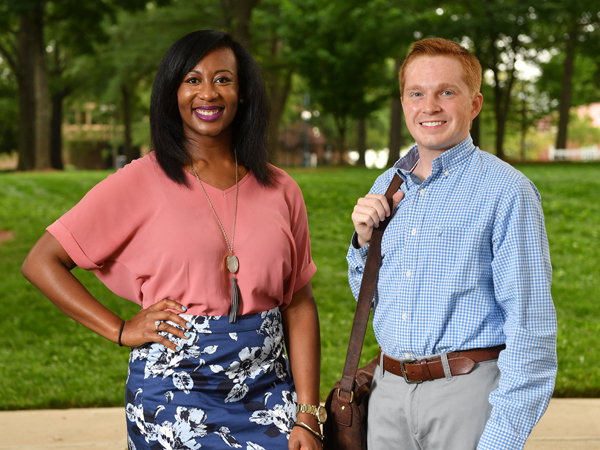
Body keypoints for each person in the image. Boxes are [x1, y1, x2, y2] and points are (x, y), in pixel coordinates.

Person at [22, 30, 324, 450]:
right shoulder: (141, 181)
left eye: (223, 79)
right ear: (172, 92)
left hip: (268, 391)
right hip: (174, 395)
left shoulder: (280, 188)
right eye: (192, 79)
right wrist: (120, 329)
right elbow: (42, 260)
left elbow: (299, 303)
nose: (208, 93)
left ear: (242, 92)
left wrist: (307, 414)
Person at [348, 38, 557, 450]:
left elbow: (532, 329)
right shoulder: (386, 186)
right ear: (404, 101)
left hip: (466, 393)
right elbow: (368, 301)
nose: (430, 106)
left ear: (474, 104)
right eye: (417, 93)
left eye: (447, 92)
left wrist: (501, 437)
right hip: (388, 394)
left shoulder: (507, 191)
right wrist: (362, 243)